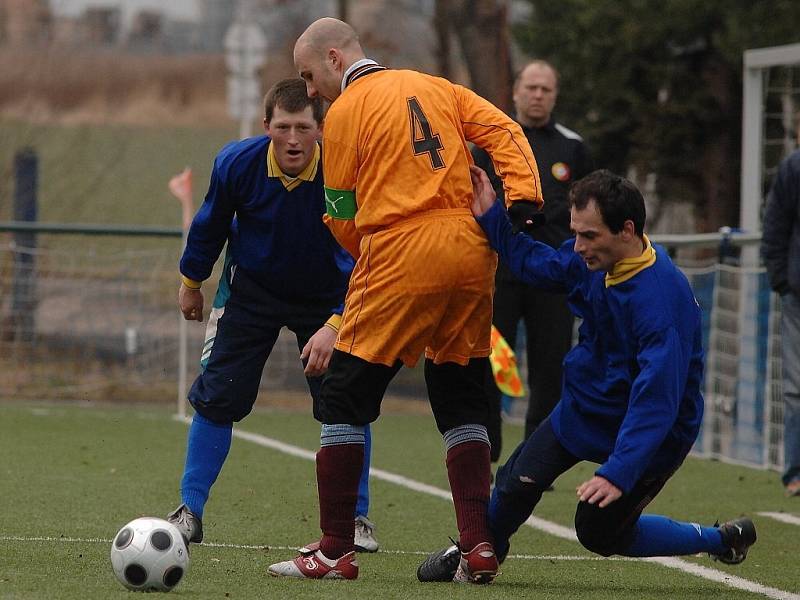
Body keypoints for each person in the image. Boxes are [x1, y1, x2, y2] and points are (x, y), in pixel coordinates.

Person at [267, 17, 543, 583]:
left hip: (402, 248)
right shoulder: (437, 86)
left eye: (309, 75)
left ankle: (334, 550)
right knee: (460, 391)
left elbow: (341, 211)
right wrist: (521, 202)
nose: (310, 89)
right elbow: (506, 132)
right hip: (471, 249)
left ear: (336, 60)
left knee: (343, 393)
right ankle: (478, 548)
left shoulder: (344, 113)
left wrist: (372, 250)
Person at [417, 168, 757, 583]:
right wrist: (491, 217)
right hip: (587, 407)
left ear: (627, 230)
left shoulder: (662, 303)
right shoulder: (593, 260)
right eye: (576, 233)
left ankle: (719, 539)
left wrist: (619, 469)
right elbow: (537, 263)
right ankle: (478, 555)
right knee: (515, 482)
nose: (577, 246)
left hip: (654, 432)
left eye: (589, 236)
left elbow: (656, 400)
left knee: (597, 531)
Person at [168, 78, 379, 553]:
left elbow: (366, 252)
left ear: (321, 130)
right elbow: (209, 226)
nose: (292, 139)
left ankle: (357, 518)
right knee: (217, 395)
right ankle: (189, 511)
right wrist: (191, 282)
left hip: (327, 297)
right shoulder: (236, 164)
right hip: (251, 294)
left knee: (345, 402)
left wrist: (338, 320)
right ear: (266, 127)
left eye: (303, 127)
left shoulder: (342, 172)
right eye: (283, 126)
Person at [473, 60, 594, 459]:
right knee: (491, 355)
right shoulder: (491, 139)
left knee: (550, 365)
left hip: (554, 274)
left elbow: (592, 207)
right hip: (499, 269)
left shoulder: (572, 147)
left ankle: (536, 455)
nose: (538, 95)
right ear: (516, 92)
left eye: (546, 89)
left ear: (555, 95)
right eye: (531, 88)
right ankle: (486, 447)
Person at [762, 145, 800, 498]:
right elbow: (775, 225)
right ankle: (795, 472)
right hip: (797, 296)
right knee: (795, 387)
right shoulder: (793, 167)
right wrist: (782, 280)